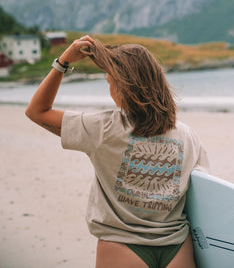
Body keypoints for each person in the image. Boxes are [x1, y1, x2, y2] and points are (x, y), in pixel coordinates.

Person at [26, 35, 209, 268]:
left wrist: (62, 62)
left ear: (123, 86)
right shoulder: (187, 135)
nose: (109, 88)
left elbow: (37, 111)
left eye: (109, 81)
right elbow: (202, 195)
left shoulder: (102, 128)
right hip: (177, 246)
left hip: (122, 244)